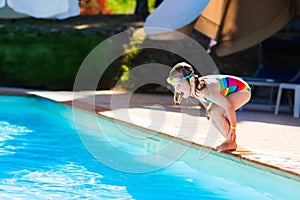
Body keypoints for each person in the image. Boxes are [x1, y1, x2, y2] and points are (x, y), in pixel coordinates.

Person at [167, 62, 251, 152]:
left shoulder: (206, 89)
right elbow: (203, 99)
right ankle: (229, 141)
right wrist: (208, 109)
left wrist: (233, 128)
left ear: (191, 81)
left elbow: (229, 107)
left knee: (215, 112)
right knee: (211, 112)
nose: (177, 89)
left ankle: (231, 142)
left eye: (179, 85)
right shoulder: (193, 88)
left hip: (242, 90)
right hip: (228, 91)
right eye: (175, 86)